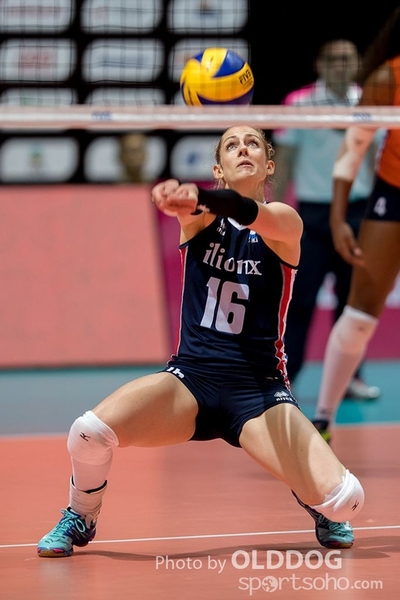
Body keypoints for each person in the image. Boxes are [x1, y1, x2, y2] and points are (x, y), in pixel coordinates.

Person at [37, 126, 364, 558]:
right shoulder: (201, 218)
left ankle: (315, 498)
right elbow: (198, 209)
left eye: (253, 143)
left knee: (347, 500)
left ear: (269, 165)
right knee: (87, 433)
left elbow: (244, 211)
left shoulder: (285, 220)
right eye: (232, 145)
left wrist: (201, 197)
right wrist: (179, 199)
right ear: (219, 169)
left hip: (259, 392)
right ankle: (82, 514)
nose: (243, 148)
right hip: (190, 381)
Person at [272, 39, 381, 406]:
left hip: (357, 212)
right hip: (313, 216)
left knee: (353, 304)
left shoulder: (368, 101)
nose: (340, 65)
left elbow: (373, 159)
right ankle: (284, 379)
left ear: (356, 64)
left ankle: (351, 379)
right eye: (333, 59)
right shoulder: (298, 103)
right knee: (299, 302)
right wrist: (272, 210)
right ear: (320, 64)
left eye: (347, 59)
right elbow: (285, 160)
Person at [312, 8, 400, 441]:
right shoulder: (388, 78)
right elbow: (352, 149)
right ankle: (324, 417)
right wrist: (337, 216)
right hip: (393, 194)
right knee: (361, 313)